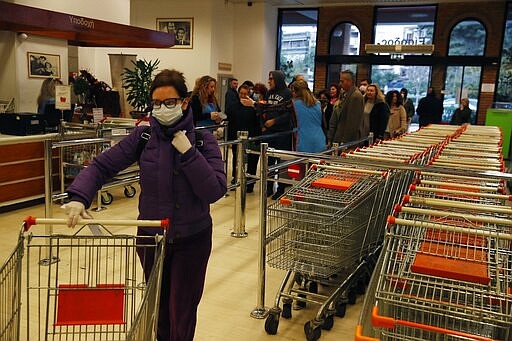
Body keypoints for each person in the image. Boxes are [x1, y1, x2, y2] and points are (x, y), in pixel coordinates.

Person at [61, 69, 227, 341]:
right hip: (151, 239)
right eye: (157, 104)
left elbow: (214, 190)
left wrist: (188, 153)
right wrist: (79, 196)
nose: (163, 109)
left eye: (170, 102)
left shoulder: (202, 140)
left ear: (184, 102)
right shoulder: (144, 138)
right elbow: (103, 165)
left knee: (182, 310)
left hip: (192, 239)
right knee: (158, 307)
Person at [240, 70, 295, 200]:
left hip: (282, 132)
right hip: (269, 133)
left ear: (278, 79)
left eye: (271, 79)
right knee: (269, 161)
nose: (269, 81)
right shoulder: (269, 93)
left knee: (281, 161)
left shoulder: (287, 94)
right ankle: (269, 187)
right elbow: (264, 109)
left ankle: (280, 188)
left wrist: (275, 121)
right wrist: (263, 124)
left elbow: (288, 113)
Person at [233, 84, 261, 193]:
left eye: (245, 94)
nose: (243, 96)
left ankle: (250, 184)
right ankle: (237, 181)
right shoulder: (234, 106)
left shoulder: (254, 107)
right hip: (238, 137)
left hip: (252, 138)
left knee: (252, 161)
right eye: (241, 94)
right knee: (238, 160)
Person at [327, 69, 364, 147]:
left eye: (342, 81)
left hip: (346, 140)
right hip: (339, 136)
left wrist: (345, 143)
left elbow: (352, 123)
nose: (340, 84)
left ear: (349, 81)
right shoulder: (346, 94)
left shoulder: (356, 96)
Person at [289, 79, 325, 153]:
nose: (292, 94)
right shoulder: (318, 104)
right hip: (319, 140)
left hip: (303, 141)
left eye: (293, 91)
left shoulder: (294, 104)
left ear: (296, 92)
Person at [224, 77, 239, 184]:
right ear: (230, 84)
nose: (236, 85)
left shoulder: (235, 93)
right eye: (234, 83)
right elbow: (229, 109)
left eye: (237, 83)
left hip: (235, 126)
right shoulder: (230, 94)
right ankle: (235, 175)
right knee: (235, 152)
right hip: (233, 126)